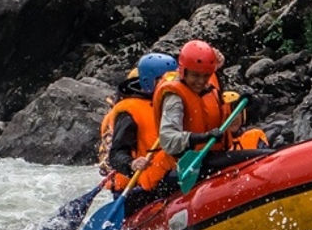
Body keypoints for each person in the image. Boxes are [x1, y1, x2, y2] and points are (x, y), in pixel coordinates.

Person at [155, 39, 273, 181]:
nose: (201, 81)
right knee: (263, 157)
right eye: (195, 76)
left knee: (261, 155)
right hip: (187, 163)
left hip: (213, 154)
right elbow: (168, 140)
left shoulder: (208, 80)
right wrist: (202, 137)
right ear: (183, 71)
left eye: (205, 76)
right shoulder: (174, 98)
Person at [105, 52, 181, 216]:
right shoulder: (129, 111)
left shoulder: (175, 100)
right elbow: (116, 154)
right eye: (165, 79)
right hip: (139, 185)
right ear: (149, 81)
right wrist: (131, 164)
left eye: (174, 78)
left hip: (169, 173)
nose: (171, 83)